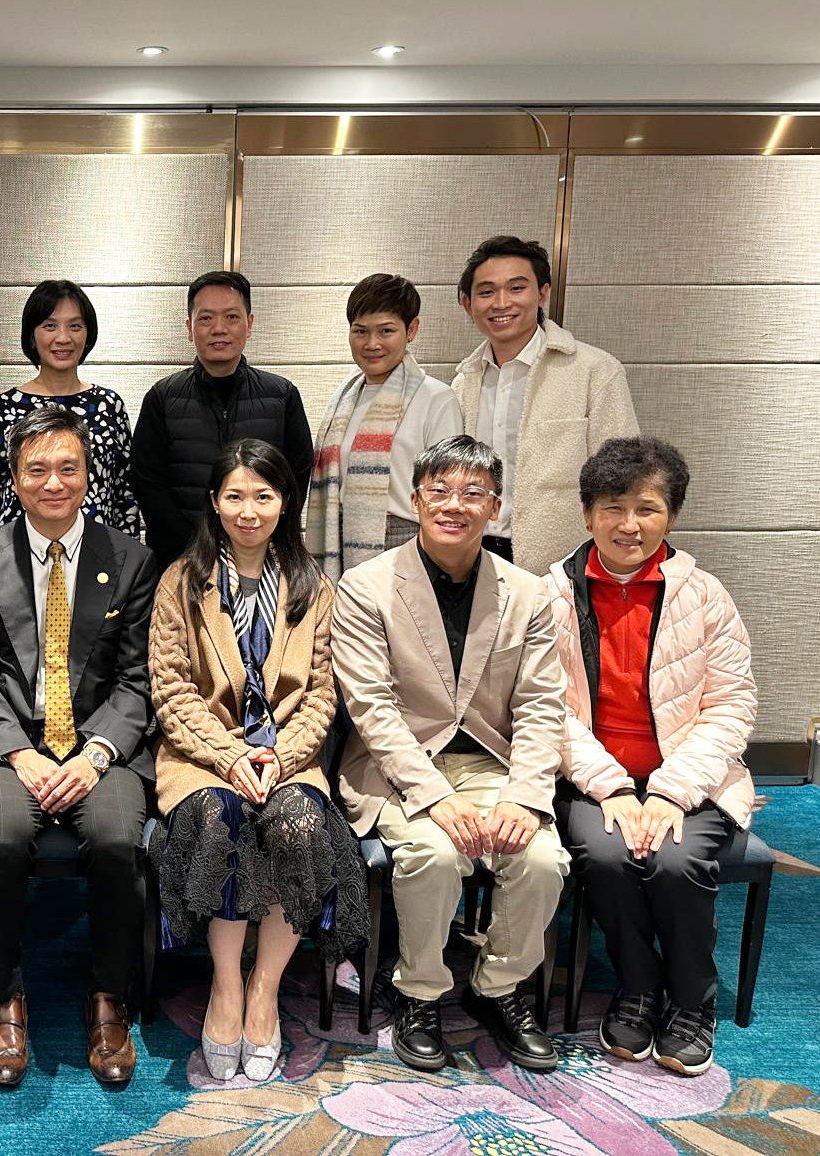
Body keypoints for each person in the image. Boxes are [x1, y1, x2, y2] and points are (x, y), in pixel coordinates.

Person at [332, 436, 569, 1074]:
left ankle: (499, 987)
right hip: (396, 767)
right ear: (415, 501)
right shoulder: (365, 587)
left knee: (541, 857)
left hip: (493, 763)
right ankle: (419, 991)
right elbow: (372, 709)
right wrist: (435, 796)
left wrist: (526, 796)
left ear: (496, 507)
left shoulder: (528, 593)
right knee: (433, 854)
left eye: (472, 493)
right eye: (438, 490)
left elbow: (542, 705)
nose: (453, 505)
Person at [147, 439, 366, 1083]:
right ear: (214, 503)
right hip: (202, 755)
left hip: (287, 756)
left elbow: (322, 693)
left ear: (284, 502)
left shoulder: (313, 586)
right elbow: (170, 689)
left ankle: (264, 988)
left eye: (263, 496)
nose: (249, 511)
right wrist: (229, 755)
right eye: (235, 496)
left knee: (297, 824)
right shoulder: (181, 581)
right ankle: (225, 984)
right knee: (222, 820)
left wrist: (281, 756)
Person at [0, 407, 156, 1088]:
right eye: (36, 469)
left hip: (100, 741)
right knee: (3, 839)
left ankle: (108, 999)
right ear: (14, 480)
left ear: (88, 475)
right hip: (11, 740)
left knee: (117, 842)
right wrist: (21, 753)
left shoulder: (128, 559)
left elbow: (136, 679)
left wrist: (96, 755)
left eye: (68, 468)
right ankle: (4, 999)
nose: (53, 482)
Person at [547, 437, 756, 1076]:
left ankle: (691, 1001)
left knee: (675, 859)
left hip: (695, 778)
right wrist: (611, 786)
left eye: (647, 509)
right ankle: (637, 988)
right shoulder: (550, 595)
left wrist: (670, 791)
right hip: (590, 777)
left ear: (672, 516)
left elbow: (731, 707)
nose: (628, 525)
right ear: (587, 514)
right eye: (613, 507)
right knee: (608, 855)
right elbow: (543, 708)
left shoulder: (706, 596)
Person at [451, 236, 639, 572]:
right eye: (486, 292)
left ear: (542, 293)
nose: (501, 302)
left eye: (516, 288)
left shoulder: (594, 370)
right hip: (473, 557)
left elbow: (625, 478)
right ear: (468, 304)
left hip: (563, 567)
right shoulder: (464, 382)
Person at [131, 270, 313, 567]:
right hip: (181, 562)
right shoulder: (162, 397)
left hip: (263, 560)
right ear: (189, 327)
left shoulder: (282, 396)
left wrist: (257, 540)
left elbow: (296, 479)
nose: (219, 328)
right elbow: (148, 484)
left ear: (249, 324)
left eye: (231, 317)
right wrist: (195, 551)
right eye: (206, 318)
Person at [307, 275, 462, 578]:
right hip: (338, 536)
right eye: (360, 331)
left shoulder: (437, 399)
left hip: (408, 541)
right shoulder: (343, 399)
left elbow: (447, 492)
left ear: (411, 330)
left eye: (386, 331)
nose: (372, 343)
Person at [0, 280, 141, 537]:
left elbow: (125, 494)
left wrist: (127, 554)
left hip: (98, 551)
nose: (63, 338)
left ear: (88, 334)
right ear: (31, 335)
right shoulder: (4, 407)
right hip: (17, 551)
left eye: (75, 326)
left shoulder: (109, 405)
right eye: (50, 326)